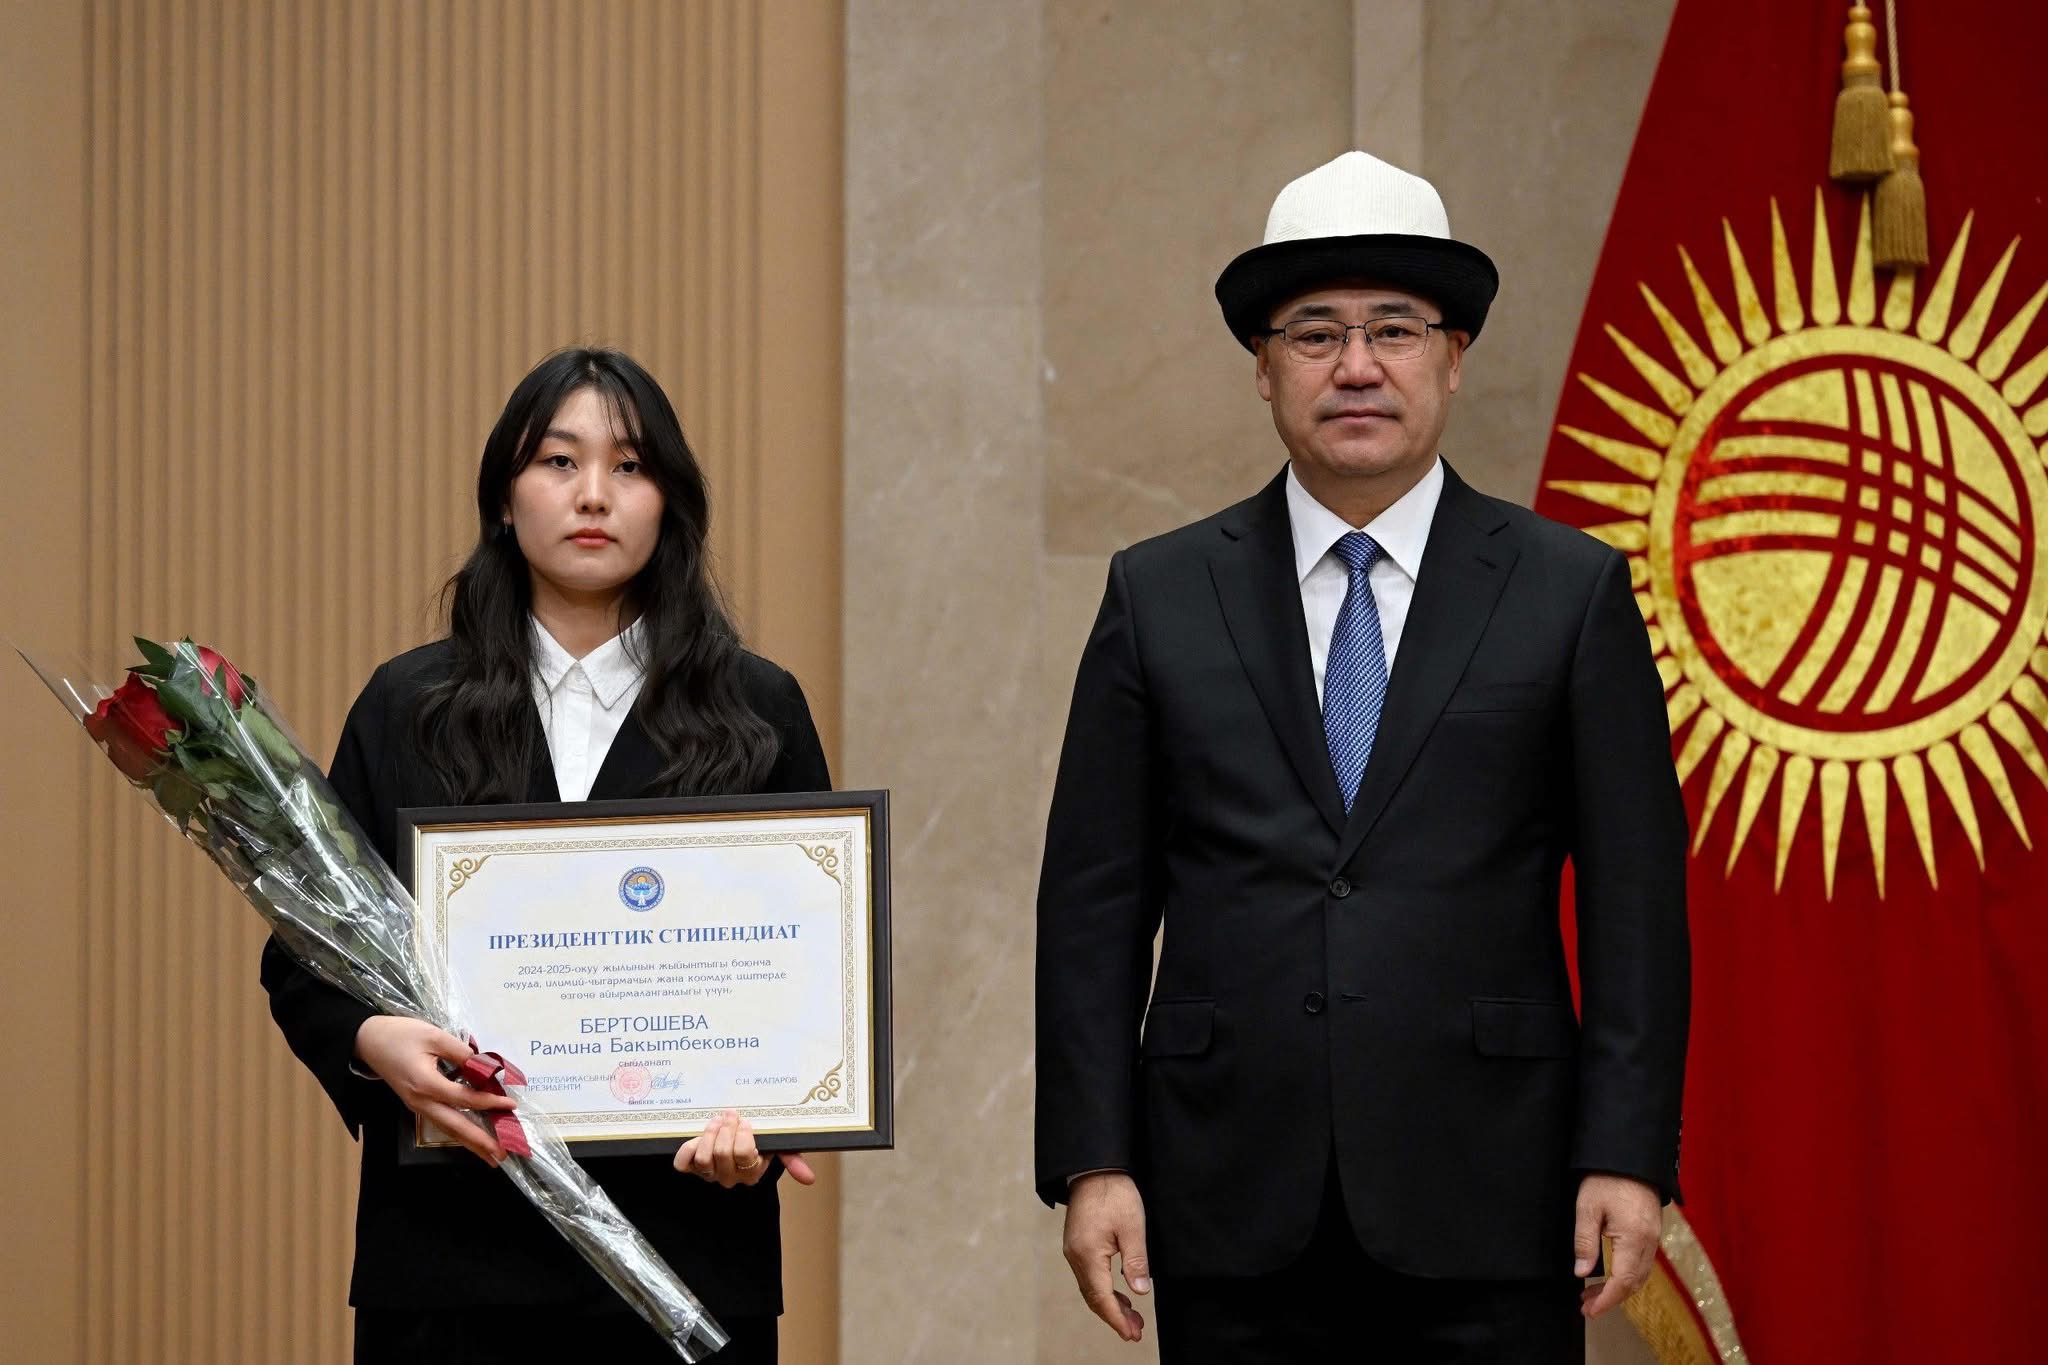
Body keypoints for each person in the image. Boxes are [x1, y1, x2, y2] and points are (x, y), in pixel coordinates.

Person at [1034, 150, 1690, 1364]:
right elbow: (1093, 902)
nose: (1354, 366)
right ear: (1262, 367)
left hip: (1495, 1188)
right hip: (1228, 1189)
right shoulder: (1159, 593)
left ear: (1453, 357)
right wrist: (1092, 1159)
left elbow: (1634, 903)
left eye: (1393, 329)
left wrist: (1627, 1154)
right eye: (1313, 334)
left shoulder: (1567, 591)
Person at [261, 347, 825, 1364]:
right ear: (503, 498)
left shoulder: (757, 710)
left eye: (630, 466)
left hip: (690, 1255)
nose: (593, 494)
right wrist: (373, 1040)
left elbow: (805, 975)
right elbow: (305, 955)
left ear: (670, 503)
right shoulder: (408, 706)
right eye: (559, 462)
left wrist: (769, 1123)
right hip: (449, 1261)